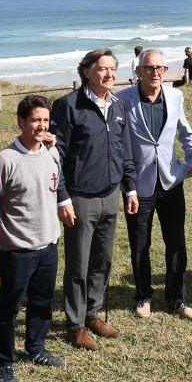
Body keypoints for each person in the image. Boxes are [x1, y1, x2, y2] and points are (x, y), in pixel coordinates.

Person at [50, 48, 138, 350]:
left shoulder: (118, 106)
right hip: (80, 197)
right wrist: (62, 197)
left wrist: (131, 188)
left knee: (103, 260)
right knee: (79, 263)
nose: (110, 74)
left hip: (111, 194)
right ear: (86, 71)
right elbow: (55, 156)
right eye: (103, 68)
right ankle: (74, 325)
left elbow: (125, 151)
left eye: (113, 68)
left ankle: (93, 315)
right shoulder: (67, 106)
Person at [117, 49, 192, 321]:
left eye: (160, 68)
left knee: (176, 241)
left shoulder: (176, 96)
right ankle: (143, 295)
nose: (155, 73)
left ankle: (178, 298)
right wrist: (127, 184)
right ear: (138, 71)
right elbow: (119, 144)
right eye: (149, 68)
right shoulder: (123, 100)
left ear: (166, 71)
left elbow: (184, 129)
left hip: (170, 181)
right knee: (140, 243)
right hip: (138, 187)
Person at [0, 95, 64, 382]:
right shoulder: (6, 159)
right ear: (21, 121)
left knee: (42, 301)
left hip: (49, 244)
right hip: (17, 250)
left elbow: (55, 189)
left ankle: (36, 347)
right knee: (9, 308)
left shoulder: (51, 153)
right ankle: (5, 362)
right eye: (35, 119)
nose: (41, 125)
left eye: (45, 120)